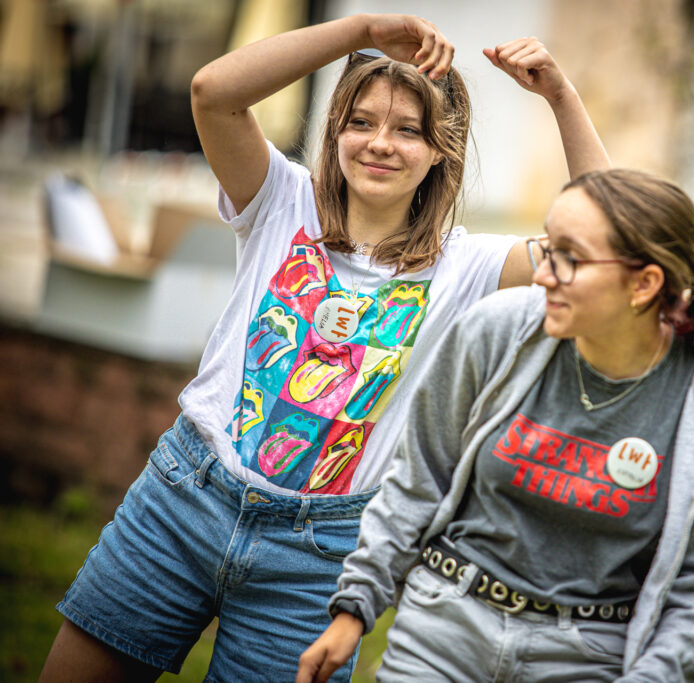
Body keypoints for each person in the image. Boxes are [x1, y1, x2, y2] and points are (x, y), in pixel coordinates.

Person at [39, 13, 610, 683]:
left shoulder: (470, 268)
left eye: (407, 130)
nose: (379, 144)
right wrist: (358, 31)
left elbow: (608, 241)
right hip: (183, 503)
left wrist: (561, 95)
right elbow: (212, 91)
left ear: (440, 152)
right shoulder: (280, 199)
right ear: (334, 129)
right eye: (361, 121)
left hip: (322, 555)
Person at [297, 168, 694, 682]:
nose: (544, 272)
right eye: (548, 249)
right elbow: (417, 483)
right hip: (445, 627)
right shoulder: (496, 332)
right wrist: (355, 607)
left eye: (569, 258)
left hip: (589, 657)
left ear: (643, 284)